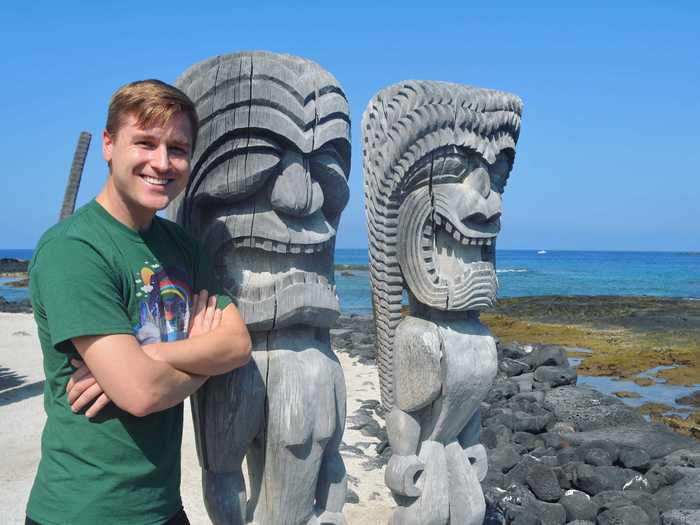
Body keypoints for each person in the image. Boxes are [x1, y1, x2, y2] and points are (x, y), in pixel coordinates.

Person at [25, 79, 252, 525]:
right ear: (109, 145)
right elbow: (143, 393)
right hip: (83, 512)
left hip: (163, 508)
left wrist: (151, 356)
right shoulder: (74, 249)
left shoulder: (179, 245)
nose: (162, 163)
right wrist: (203, 360)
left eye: (177, 148)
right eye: (144, 143)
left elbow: (237, 344)